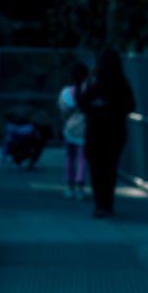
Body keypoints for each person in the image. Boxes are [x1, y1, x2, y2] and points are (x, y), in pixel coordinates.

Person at [78, 49, 136, 218]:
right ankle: (107, 203)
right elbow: (131, 105)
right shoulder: (121, 82)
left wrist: (96, 106)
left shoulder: (92, 82)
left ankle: (99, 204)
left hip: (95, 130)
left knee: (96, 168)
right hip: (115, 131)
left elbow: (82, 105)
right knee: (110, 168)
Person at [58, 62, 89, 200]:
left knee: (69, 158)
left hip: (69, 128)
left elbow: (62, 110)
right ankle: (80, 187)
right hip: (84, 129)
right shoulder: (88, 90)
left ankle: (70, 187)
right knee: (83, 158)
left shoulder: (65, 92)